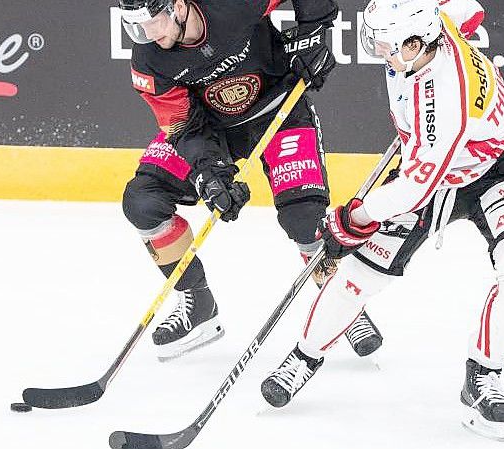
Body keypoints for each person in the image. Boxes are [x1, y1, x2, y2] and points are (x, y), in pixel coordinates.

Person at [260, 0, 504, 441]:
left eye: (384, 45)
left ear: (415, 45)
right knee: (360, 276)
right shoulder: (433, 28)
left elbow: (413, 189)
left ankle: (483, 376)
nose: (377, 51)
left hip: (494, 168)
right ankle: (304, 356)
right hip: (434, 166)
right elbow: (468, 9)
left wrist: (351, 218)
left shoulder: (443, 102)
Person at [118, 0, 384, 361]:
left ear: (178, 6)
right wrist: (210, 174)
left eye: (153, 22)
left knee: (305, 221)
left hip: (278, 108)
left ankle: (340, 304)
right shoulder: (149, 60)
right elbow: (181, 125)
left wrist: (314, 33)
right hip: (210, 129)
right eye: (138, 26)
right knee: (143, 201)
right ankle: (197, 304)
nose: (149, 35)